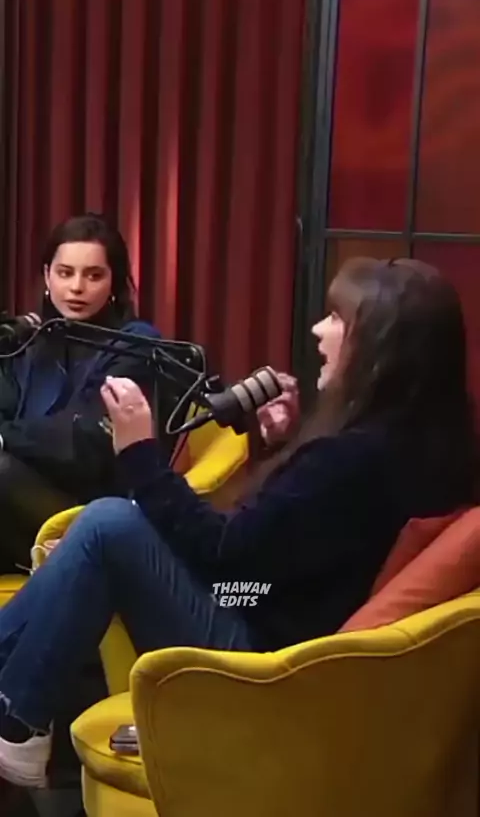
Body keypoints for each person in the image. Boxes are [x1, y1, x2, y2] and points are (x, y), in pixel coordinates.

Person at [0, 256, 476, 788]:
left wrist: (138, 452)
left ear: (381, 348)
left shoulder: (354, 459)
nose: (318, 332)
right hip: (282, 625)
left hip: (265, 665)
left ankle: (19, 721)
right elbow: (296, 541)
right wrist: (279, 446)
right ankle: (18, 716)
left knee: (108, 524)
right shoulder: (423, 443)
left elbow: (225, 554)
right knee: (109, 525)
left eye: (336, 319)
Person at [0, 212, 170, 572]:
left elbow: (87, 440)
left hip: (92, 509)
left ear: (114, 283)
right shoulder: (28, 342)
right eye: (65, 273)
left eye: (93, 275)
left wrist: (5, 437)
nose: (77, 287)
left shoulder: (137, 344)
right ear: (47, 276)